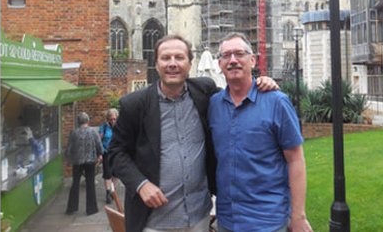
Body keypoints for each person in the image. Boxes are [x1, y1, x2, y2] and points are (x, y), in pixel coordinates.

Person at [109, 34, 278, 232]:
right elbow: (116, 153)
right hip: (153, 222)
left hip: (199, 217)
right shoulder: (134, 105)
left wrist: (261, 82)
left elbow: (237, 92)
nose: (172, 63)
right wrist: (141, 184)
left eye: (179, 57)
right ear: (156, 64)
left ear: (190, 63)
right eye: (166, 58)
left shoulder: (204, 92)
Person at [209, 32, 313, 232]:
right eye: (226, 55)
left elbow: (295, 160)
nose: (233, 60)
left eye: (240, 54)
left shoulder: (277, 102)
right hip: (227, 221)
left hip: (267, 221)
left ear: (252, 60)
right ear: (220, 64)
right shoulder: (214, 104)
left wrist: (298, 216)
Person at [65, 112, 104, 216]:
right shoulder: (92, 132)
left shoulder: (74, 133)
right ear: (88, 120)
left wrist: (68, 160)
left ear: (78, 121)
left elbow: (69, 148)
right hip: (90, 161)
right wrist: (100, 154)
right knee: (90, 184)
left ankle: (71, 208)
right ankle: (91, 209)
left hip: (77, 161)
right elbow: (99, 144)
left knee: (75, 183)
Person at [99, 108, 119, 205]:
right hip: (106, 152)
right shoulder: (103, 127)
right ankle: (108, 193)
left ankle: (112, 191)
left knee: (116, 174)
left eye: (114, 119)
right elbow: (99, 140)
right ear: (108, 118)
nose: (113, 121)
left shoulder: (120, 127)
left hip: (117, 153)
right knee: (107, 173)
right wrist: (100, 153)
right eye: (111, 119)